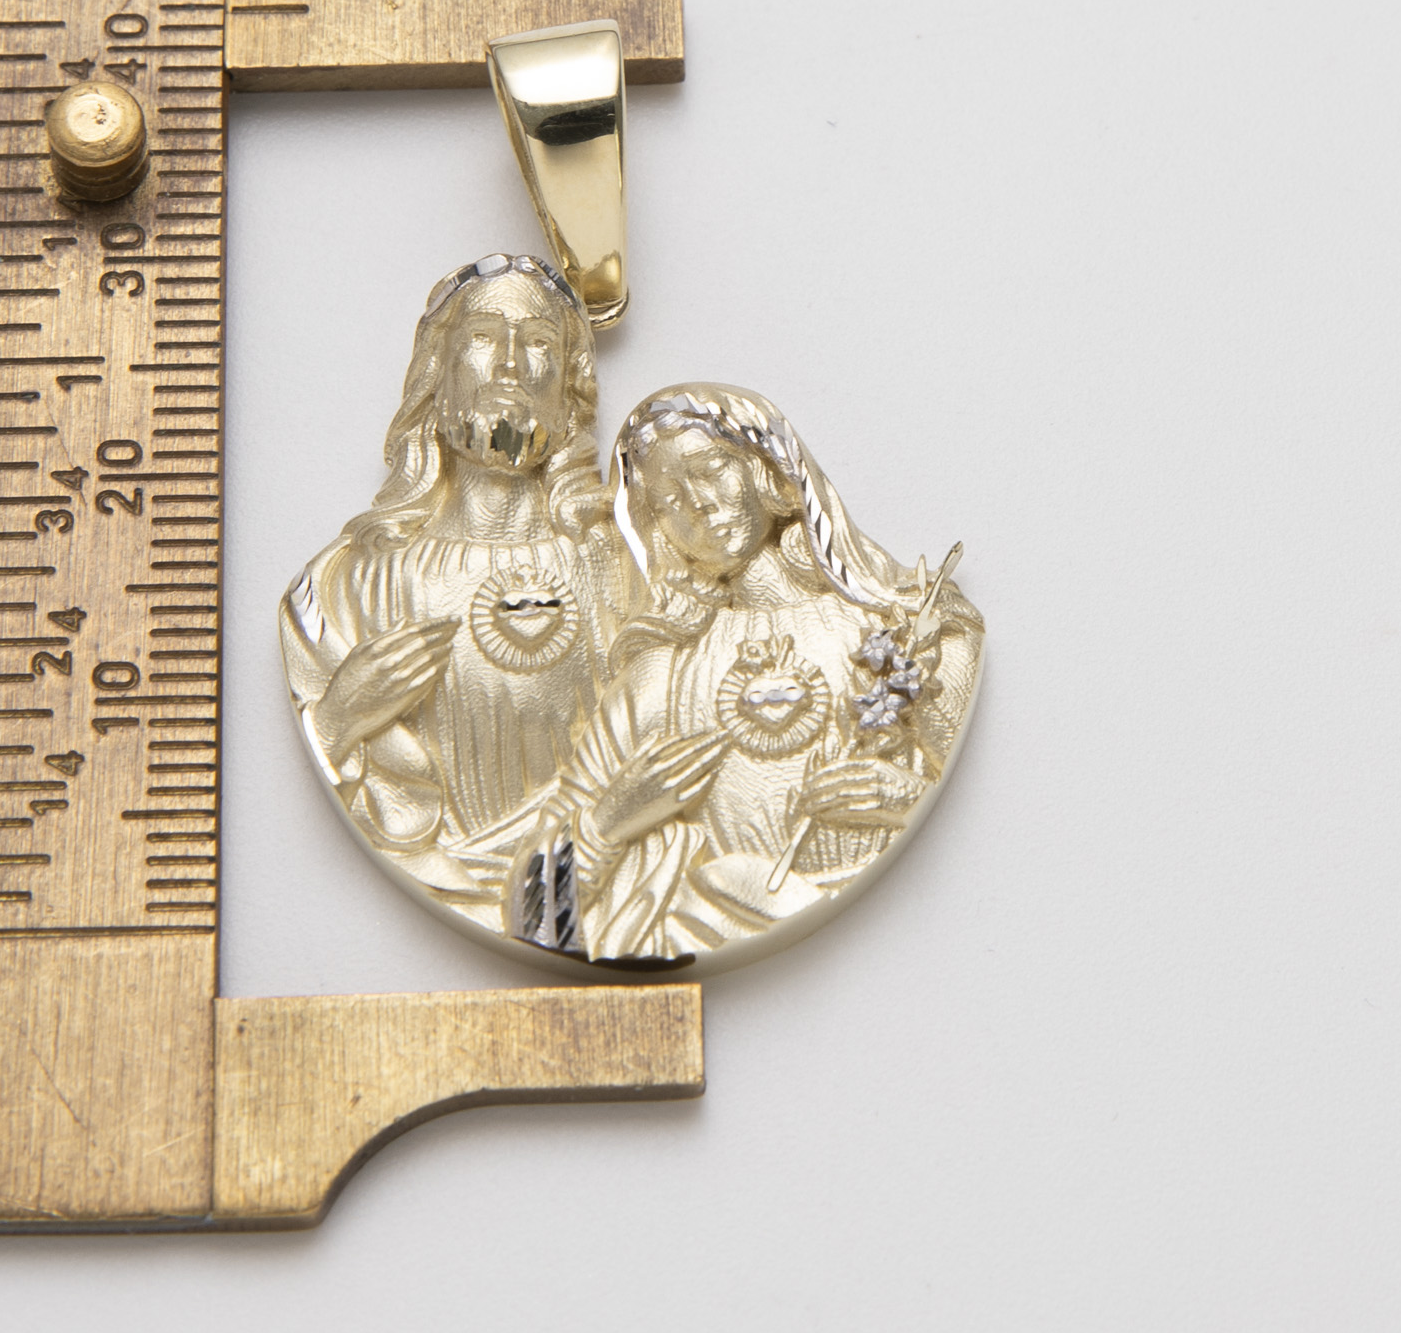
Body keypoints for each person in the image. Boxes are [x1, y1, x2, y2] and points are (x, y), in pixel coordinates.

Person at [547, 383, 985, 962]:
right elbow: (538, 906)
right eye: (669, 499)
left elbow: (955, 773)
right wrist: (609, 821)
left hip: (908, 940)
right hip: (708, 920)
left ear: (767, 471)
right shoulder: (663, 673)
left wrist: (901, 794)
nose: (698, 503)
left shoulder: (901, 631)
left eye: (711, 469)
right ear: (656, 528)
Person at [278, 256, 627, 930]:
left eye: (539, 342)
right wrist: (342, 714)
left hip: (597, 899)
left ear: (572, 387)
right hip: (431, 893)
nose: (510, 364)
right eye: (483, 336)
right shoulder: (342, 588)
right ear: (436, 375)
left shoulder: (625, 569)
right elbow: (329, 738)